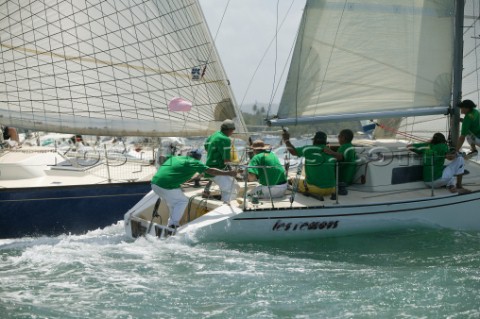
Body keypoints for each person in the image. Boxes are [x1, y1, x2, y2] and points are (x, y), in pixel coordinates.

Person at [150, 149, 237, 228]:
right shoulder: (195, 162)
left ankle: (170, 225)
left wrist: (170, 170)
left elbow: (162, 158)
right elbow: (211, 171)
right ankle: (173, 225)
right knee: (182, 201)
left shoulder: (177, 158)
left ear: (189, 154)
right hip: (166, 186)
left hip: (154, 183)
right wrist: (229, 173)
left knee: (174, 204)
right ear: (199, 158)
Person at [282, 130, 336, 199]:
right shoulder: (330, 151)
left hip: (316, 189)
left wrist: (286, 140)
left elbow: (293, 151)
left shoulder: (308, 149)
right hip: (331, 189)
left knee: (293, 180)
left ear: (314, 141)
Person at [204, 119, 239, 202]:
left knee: (235, 185)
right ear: (231, 130)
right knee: (231, 188)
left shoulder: (213, 135)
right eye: (233, 131)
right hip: (217, 170)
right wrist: (233, 170)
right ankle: (227, 207)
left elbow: (206, 148)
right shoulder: (225, 139)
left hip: (208, 169)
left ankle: (223, 201)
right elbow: (226, 160)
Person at [323, 129, 357, 195]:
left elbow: (339, 158)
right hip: (349, 178)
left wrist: (328, 152)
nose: (338, 138)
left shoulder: (344, 146)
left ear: (343, 138)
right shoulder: (350, 146)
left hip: (342, 180)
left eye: (339, 136)